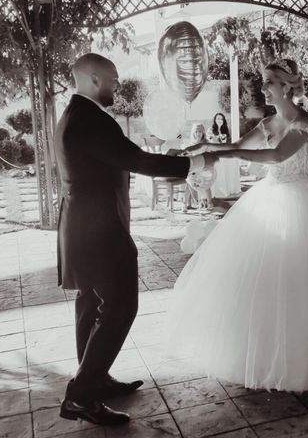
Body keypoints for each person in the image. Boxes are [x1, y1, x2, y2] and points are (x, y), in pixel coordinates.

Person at [164, 59, 308, 393]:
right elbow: (238, 146)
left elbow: (275, 158)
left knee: (301, 278)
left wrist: (227, 156)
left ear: (286, 86)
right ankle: (261, 353)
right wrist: (203, 148)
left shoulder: (303, 123)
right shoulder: (269, 121)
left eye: (269, 82)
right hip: (267, 198)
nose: (264, 87)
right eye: (264, 81)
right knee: (262, 278)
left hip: (299, 202)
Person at [54, 53, 215, 426]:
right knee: (121, 307)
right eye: (112, 80)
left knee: (90, 304)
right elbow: (136, 160)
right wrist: (194, 165)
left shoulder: (74, 115)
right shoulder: (90, 120)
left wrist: (175, 156)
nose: (116, 86)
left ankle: (94, 379)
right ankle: (81, 395)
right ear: (94, 79)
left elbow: (120, 158)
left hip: (82, 229)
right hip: (101, 232)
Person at [184, 123, 214, 210]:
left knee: (206, 181)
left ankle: (209, 202)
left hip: (204, 167)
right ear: (193, 133)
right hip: (195, 168)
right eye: (196, 132)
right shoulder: (191, 144)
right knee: (189, 182)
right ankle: (184, 203)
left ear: (203, 133)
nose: (198, 134)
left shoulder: (206, 143)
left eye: (200, 132)